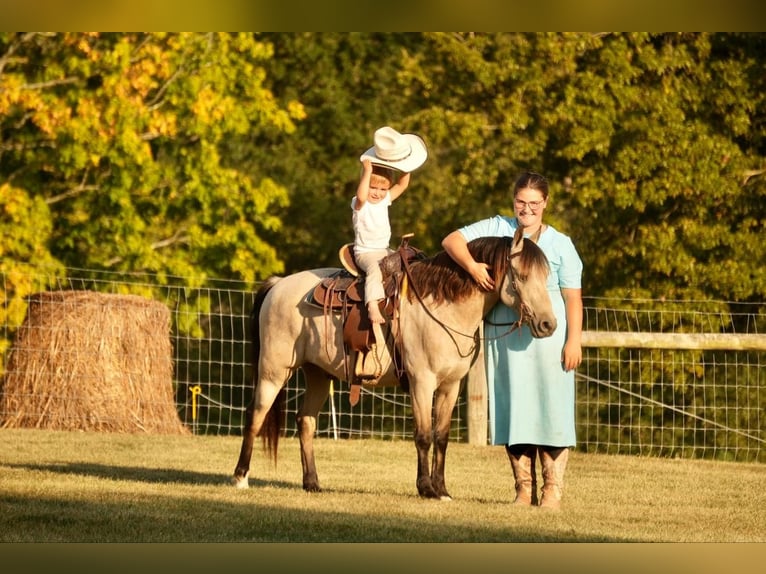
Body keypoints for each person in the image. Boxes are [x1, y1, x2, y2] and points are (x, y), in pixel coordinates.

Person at [441, 171, 583, 510]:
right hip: (504, 334)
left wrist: (573, 340)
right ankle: (522, 489)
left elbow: (573, 298)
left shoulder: (561, 244)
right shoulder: (497, 227)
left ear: (546, 203)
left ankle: (552, 491)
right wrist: (474, 268)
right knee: (514, 411)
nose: (528, 209)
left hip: (549, 338)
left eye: (535, 203)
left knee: (552, 411)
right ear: (513, 201)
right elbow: (451, 241)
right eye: (522, 202)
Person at [353, 126, 427, 324]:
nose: (377, 192)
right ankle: (372, 307)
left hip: (384, 249)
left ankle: (404, 303)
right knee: (374, 271)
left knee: (408, 263)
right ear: (365, 184)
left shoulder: (385, 199)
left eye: (382, 188)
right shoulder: (361, 202)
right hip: (366, 252)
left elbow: (402, 185)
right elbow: (362, 194)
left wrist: (406, 165)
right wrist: (367, 171)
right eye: (373, 187)